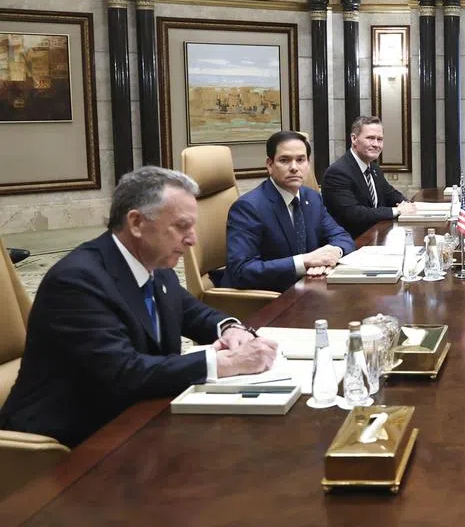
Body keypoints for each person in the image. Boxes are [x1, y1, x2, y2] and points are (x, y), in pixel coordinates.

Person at [0, 167, 278, 448]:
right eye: (182, 226)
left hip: (136, 417)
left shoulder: (155, 261)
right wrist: (225, 363)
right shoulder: (77, 282)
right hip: (68, 445)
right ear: (136, 223)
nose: (193, 238)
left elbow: (190, 311)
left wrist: (230, 328)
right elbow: (123, 372)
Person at [221, 131, 355, 292]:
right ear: (270, 165)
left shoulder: (312, 198)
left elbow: (342, 237)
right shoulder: (249, 207)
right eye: (284, 160)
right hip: (269, 297)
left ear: (308, 163)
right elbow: (242, 270)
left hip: (307, 287)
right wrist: (304, 262)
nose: (294, 167)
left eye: (300, 160)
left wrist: (332, 253)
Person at [322, 116, 417, 237]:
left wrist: (406, 204)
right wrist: (397, 211)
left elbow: (391, 195)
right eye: (370, 138)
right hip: (352, 243)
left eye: (380, 139)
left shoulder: (374, 168)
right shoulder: (337, 173)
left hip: (376, 237)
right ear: (354, 139)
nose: (376, 144)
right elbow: (354, 214)